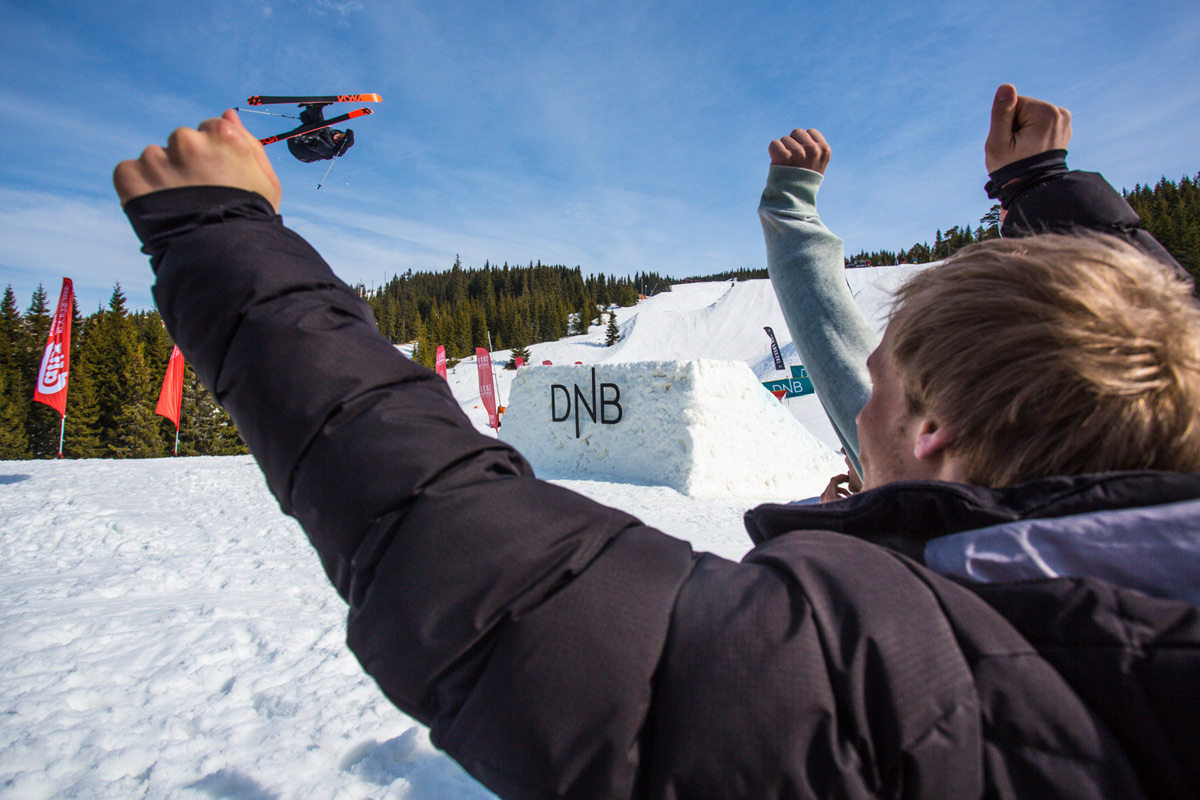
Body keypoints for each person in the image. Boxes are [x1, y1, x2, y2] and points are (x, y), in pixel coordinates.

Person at [113, 87, 1200, 800]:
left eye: (875, 386)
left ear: (933, 433)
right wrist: (1047, 194)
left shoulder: (892, 683)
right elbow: (1165, 333)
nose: (854, 394)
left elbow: (470, 554)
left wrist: (220, 235)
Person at [286, 103, 355, 163]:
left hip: (302, 152)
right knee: (321, 125)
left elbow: (339, 153)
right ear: (338, 132)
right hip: (295, 138)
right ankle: (313, 107)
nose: (338, 139)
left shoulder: (332, 148)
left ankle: (311, 140)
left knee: (331, 152)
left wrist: (349, 139)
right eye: (341, 136)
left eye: (339, 141)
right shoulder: (327, 130)